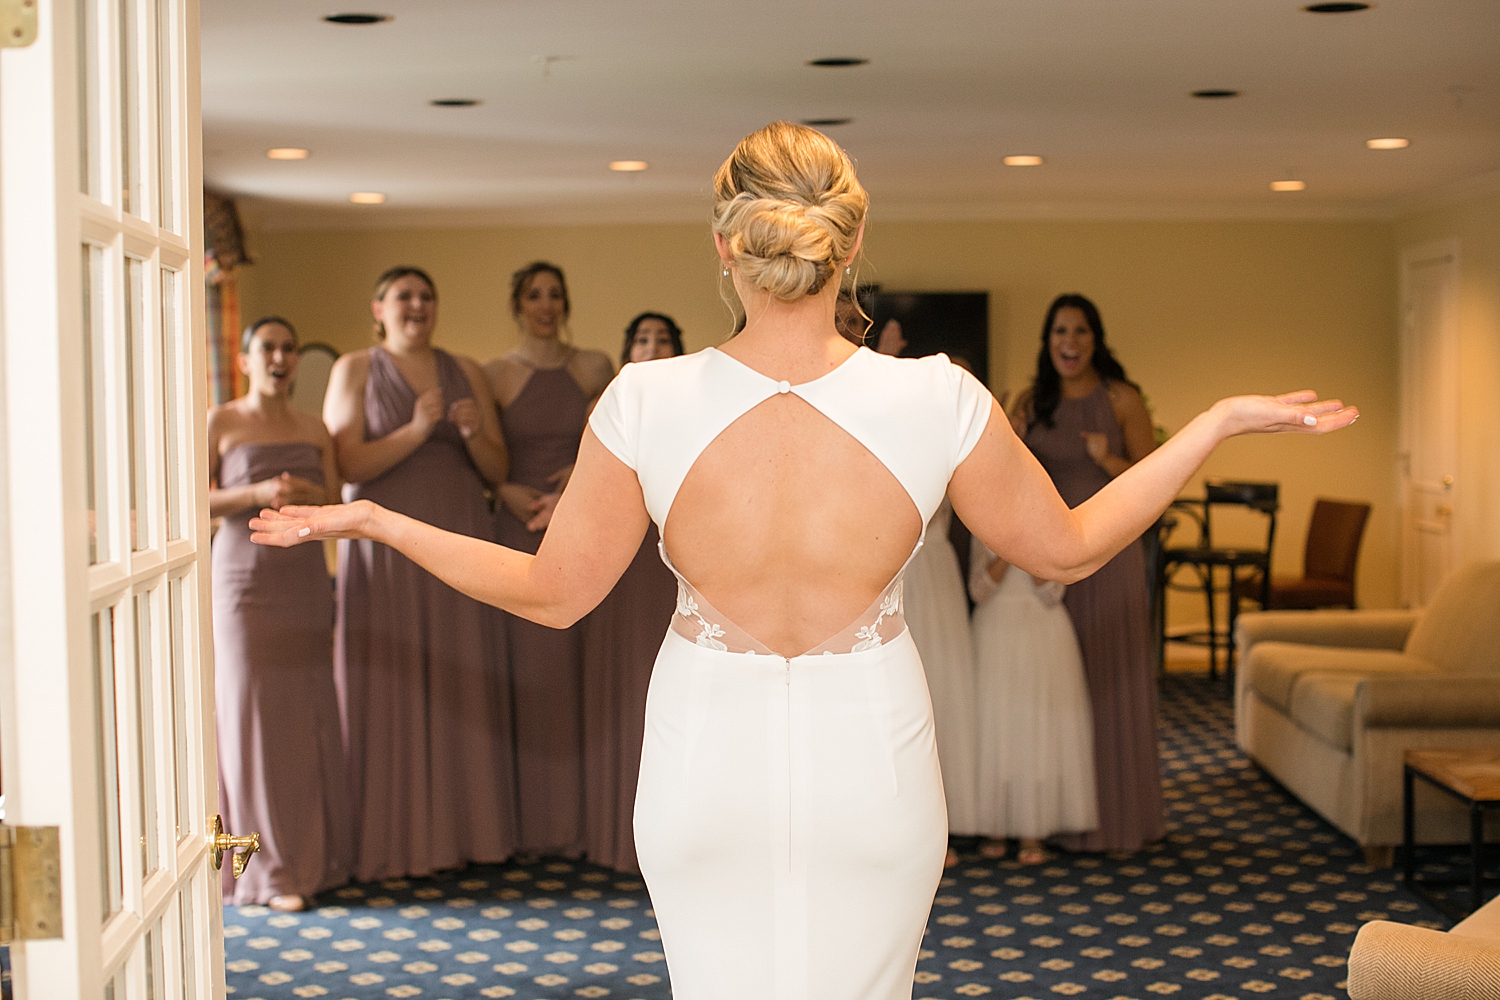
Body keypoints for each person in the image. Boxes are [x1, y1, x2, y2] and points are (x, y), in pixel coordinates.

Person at [251, 122, 1355, 1000]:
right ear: (850, 243)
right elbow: (1070, 541)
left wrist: (378, 523)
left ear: (727, 245)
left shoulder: (648, 397)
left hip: (701, 757)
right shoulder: (936, 396)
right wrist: (1206, 428)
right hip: (872, 754)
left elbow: (553, 592)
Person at [322, 266, 517, 880]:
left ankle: (471, 833)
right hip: (385, 547)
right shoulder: (354, 368)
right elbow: (346, 462)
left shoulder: (469, 370)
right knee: (393, 677)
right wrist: (415, 429)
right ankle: (391, 841)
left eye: (427, 296)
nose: (418, 306)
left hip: (459, 533)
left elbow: (496, 467)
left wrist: (470, 432)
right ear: (378, 308)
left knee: (464, 674)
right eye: (404, 297)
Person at [1010, 292, 1163, 852]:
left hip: (1111, 554)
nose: (1068, 343)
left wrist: (1108, 461)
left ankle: (1117, 819)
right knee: (1058, 685)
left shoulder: (1122, 400)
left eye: (1078, 332)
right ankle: (1058, 817)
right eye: (1058, 333)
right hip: (1051, 561)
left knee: (1109, 676)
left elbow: (1154, 485)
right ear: (1047, 342)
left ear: (1095, 340)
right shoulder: (1032, 401)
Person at [209, 317, 350, 911]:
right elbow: (192, 497)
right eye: (268, 347)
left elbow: (338, 502)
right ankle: (264, 870)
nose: (281, 356)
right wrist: (255, 494)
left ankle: (318, 859)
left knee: (310, 713)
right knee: (250, 719)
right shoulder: (221, 421)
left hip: (303, 580)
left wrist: (305, 502)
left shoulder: (315, 426)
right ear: (245, 359)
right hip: (244, 578)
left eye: (290, 347)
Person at [483, 262, 615, 857]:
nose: (545, 304)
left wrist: (573, 490)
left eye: (555, 294)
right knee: (528, 667)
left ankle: (585, 822)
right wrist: (503, 491)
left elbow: (609, 443)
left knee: (582, 665)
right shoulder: (492, 374)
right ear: (517, 304)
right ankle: (532, 825)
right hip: (518, 523)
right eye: (533, 295)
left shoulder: (593, 366)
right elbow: (485, 455)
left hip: (580, 521)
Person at [580, 311, 687, 872]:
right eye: (641, 337)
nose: (652, 346)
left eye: (662, 338)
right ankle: (617, 835)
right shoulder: (608, 406)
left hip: (675, 562)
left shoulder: (696, 403)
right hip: (622, 563)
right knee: (625, 689)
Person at [968, 539, 1097, 865]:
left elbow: (1053, 593)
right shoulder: (984, 527)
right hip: (995, 627)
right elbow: (979, 590)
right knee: (995, 726)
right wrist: (1006, 554)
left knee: (1037, 729)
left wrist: (1025, 549)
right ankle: (994, 826)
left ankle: (1033, 830)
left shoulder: (1046, 522)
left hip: (1042, 629)